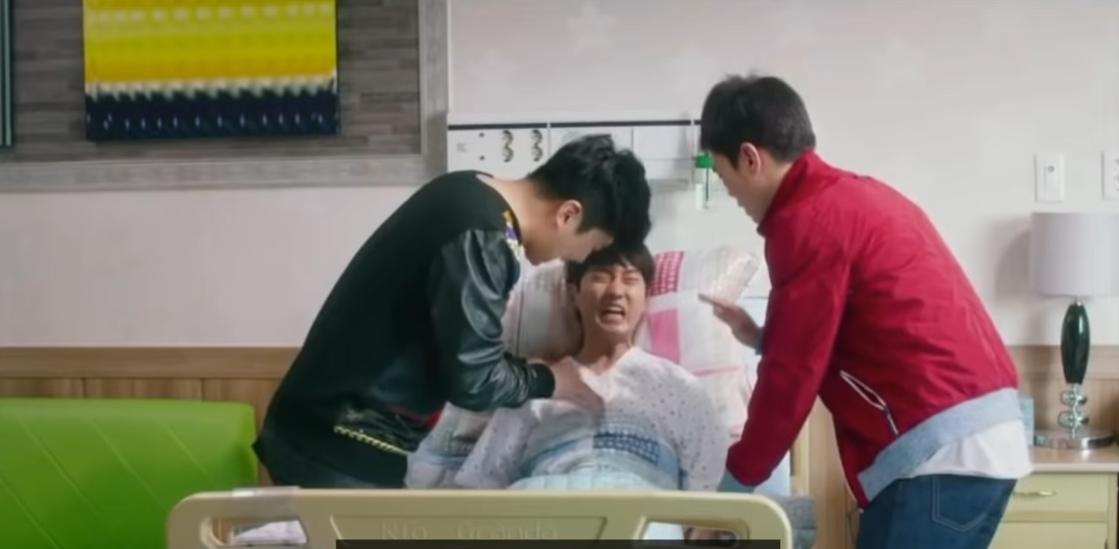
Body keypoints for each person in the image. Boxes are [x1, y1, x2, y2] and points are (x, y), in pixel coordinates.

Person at [696, 74, 1030, 549]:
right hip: (986, 437)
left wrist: (728, 498)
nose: (734, 197)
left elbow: (790, 379)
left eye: (724, 178)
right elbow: (857, 326)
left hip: (938, 452)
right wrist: (763, 337)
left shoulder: (805, 222)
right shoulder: (864, 197)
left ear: (750, 158)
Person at [254, 134, 653, 490]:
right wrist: (551, 380)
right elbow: (474, 382)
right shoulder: (484, 238)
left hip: (315, 425)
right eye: (591, 248)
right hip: (340, 443)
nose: (575, 259)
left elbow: (457, 342)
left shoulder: (465, 188)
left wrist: (517, 369)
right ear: (568, 214)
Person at [406, 243, 727, 539]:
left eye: (630, 280)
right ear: (574, 293)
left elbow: (703, 508)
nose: (616, 291)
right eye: (601, 277)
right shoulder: (536, 385)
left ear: (646, 299)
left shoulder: (682, 388)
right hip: (543, 517)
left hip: (641, 521)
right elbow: (486, 485)